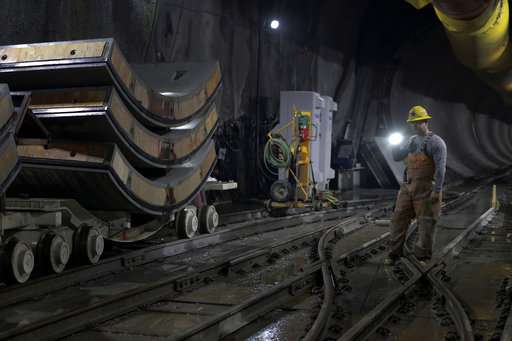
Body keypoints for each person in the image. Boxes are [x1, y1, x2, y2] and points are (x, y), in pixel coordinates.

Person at [384, 105, 447, 265]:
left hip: (425, 189)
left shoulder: (436, 143)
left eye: (418, 122)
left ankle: (422, 257)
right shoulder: (412, 141)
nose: (414, 125)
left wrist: (437, 191)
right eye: (412, 123)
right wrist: (394, 145)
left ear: (426, 121)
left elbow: (440, 169)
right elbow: (397, 157)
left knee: (425, 223)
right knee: (398, 219)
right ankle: (394, 254)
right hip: (408, 187)